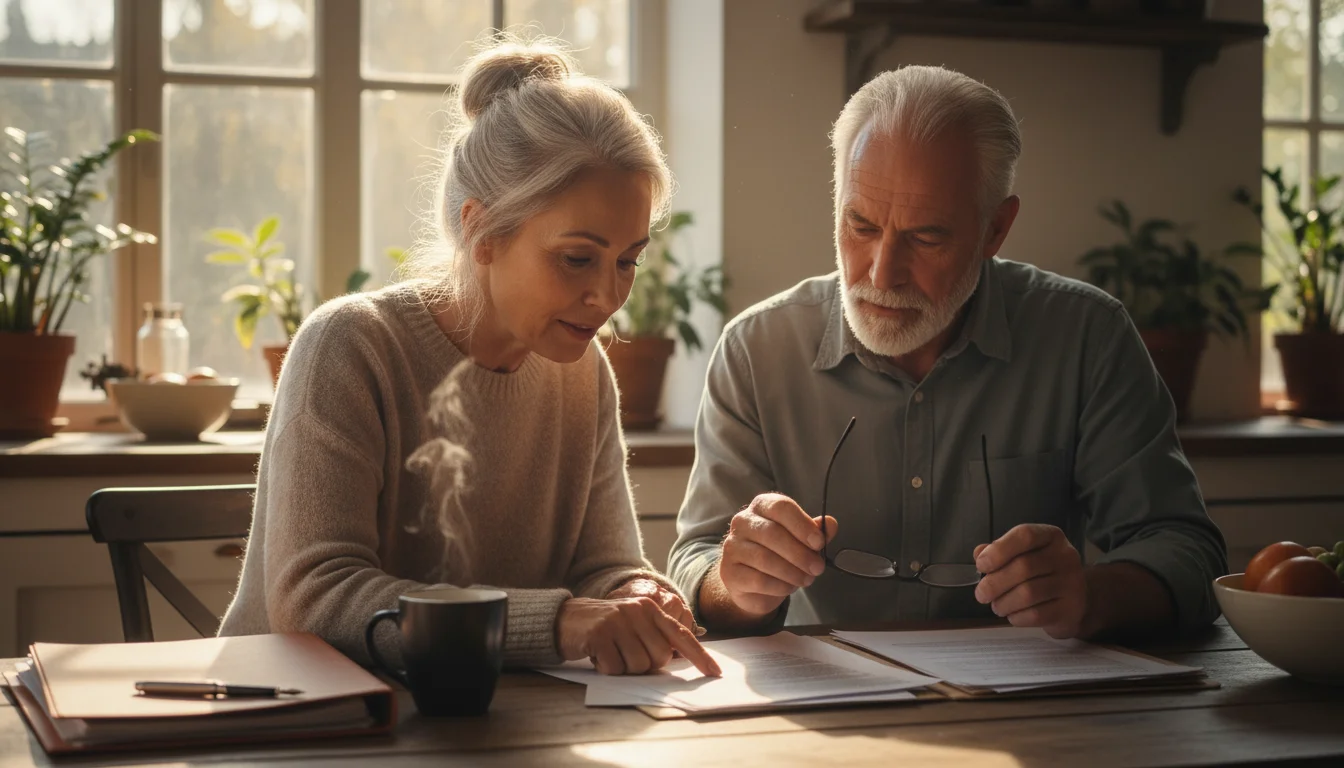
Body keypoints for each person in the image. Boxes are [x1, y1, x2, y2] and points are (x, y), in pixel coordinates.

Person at [668, 65, 1227, 641]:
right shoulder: (756, 350)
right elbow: (699, 558)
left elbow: (1186, 550)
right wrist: (733, 584)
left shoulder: (1088, 338)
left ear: (996, 230)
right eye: (860, 226)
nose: (883, 274)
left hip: (1034, 715)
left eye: (926, 237)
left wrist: (1091, 597)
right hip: (824, 716)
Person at [220, 38, 719, 679]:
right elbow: (315, 599)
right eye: (577, 258)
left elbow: (606, 565)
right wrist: (560, 621)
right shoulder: (349, 348)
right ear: (481, 231)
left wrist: (637, 594)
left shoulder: (583, 372)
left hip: (498, 722)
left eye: (627, 260)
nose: (607, 296)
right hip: (302, 720)